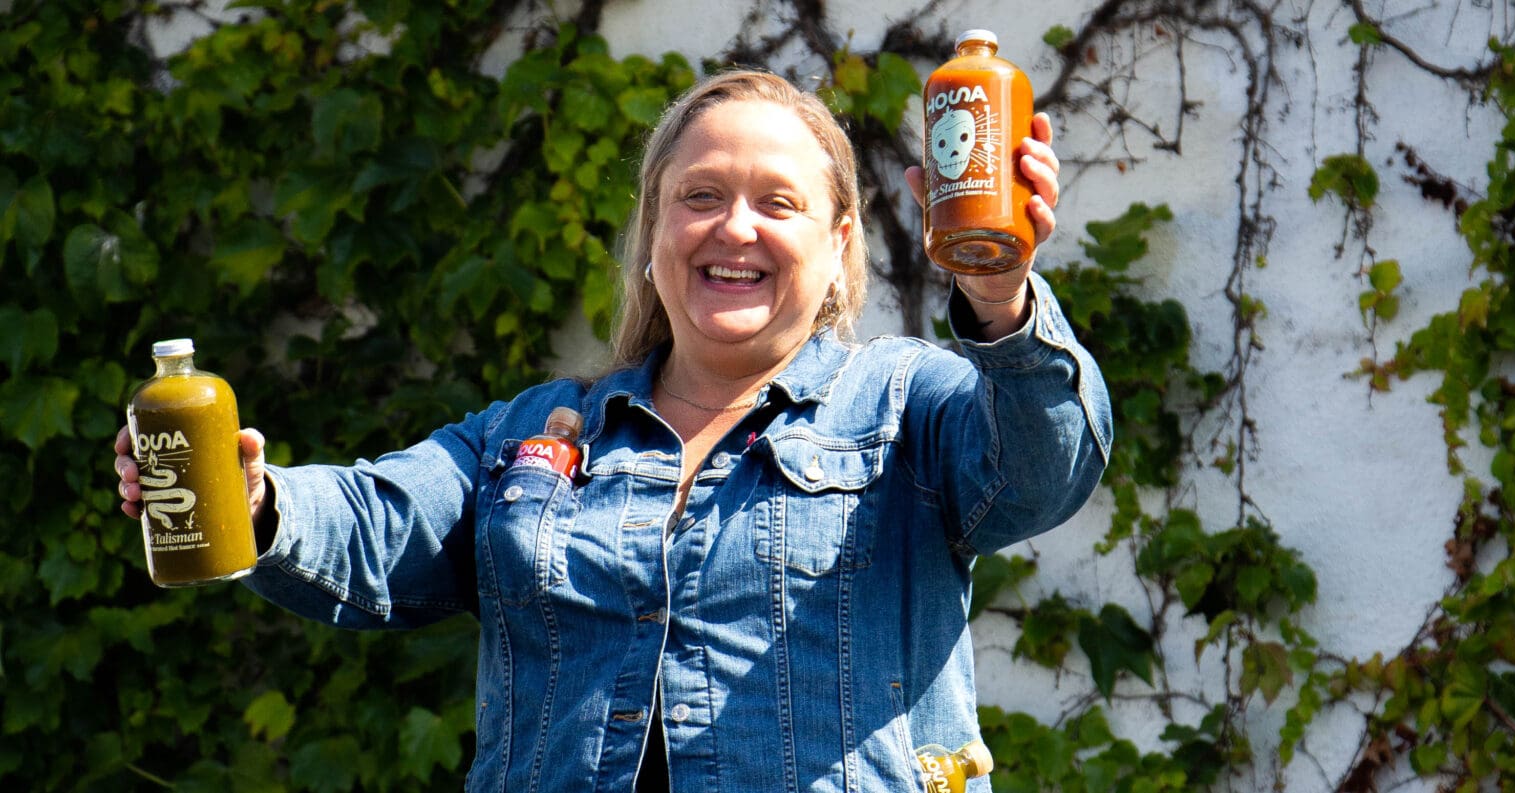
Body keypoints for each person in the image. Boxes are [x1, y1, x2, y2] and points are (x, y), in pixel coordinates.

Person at [115, 69, 1110, 792]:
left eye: (779, 202)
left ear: (838, 242)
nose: (735, 227)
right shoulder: (534, 432)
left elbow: (1041, 466)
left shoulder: (910, 405)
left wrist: (998, 294)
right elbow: (379, 524)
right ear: (653, 235)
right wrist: (254, 498)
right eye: (701, 196)